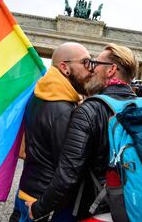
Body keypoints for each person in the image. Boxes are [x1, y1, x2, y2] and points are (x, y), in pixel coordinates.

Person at [27, 43, 142, 220]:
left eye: (96, 63)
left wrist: (38, 209)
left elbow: (68, 174)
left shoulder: (89, 110)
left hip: (91, 208)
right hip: (136, 207)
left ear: (111, 70)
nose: (92, 70)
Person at [9, 42, 92, 222]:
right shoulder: (63, 109)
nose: (91, 70)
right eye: (85, 63)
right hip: (42, 199)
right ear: (64, 67)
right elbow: (67, 162)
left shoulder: (41, 95)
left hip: (29, 187)